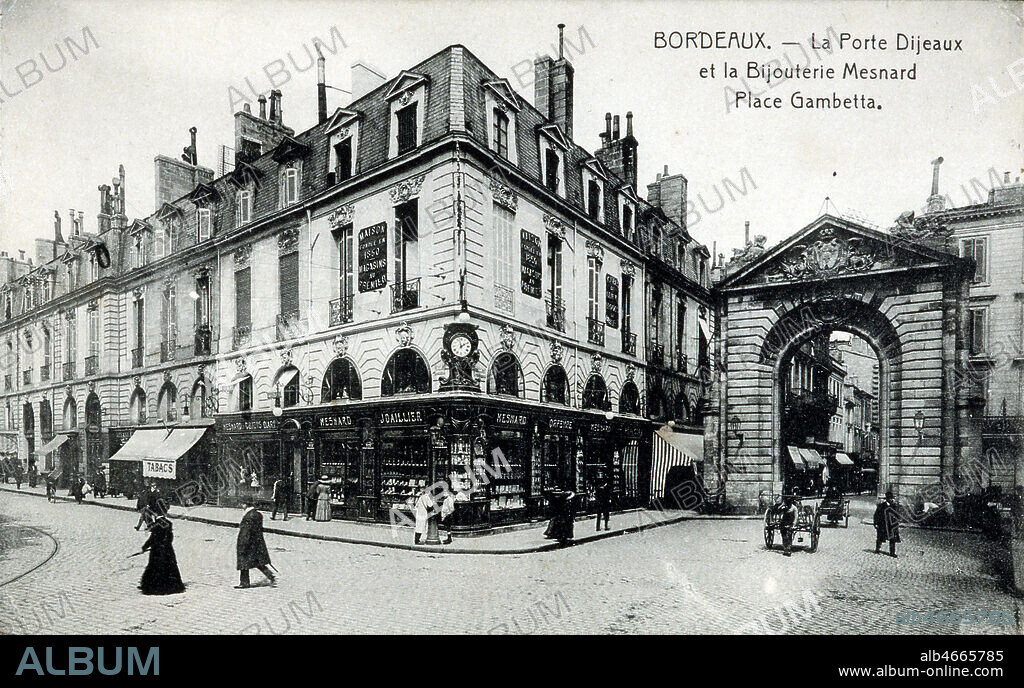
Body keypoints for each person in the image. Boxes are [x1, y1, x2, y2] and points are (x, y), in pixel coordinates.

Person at [138, 515, 185, 595]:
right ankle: (172, 585)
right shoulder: (169, 523)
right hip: (168, 550)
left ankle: (155, 587)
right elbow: (170, 537)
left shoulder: (156, 525)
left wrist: (144, 547)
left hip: (157, 551)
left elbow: (152, 538)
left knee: (155, 566)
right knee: (170, 566)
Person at [236, 497, 275, 589]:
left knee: (244, 561)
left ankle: (244, 582)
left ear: (246, 504)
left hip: (248, 542)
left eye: (242, 503)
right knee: (257, 560)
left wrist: (242, 545)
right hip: (256, 542)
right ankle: (270, 575)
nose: (241, 506)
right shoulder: (257, 514)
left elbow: (245, 532)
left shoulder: (248, 516)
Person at [874, 489, 901, 557]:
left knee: (892, 539)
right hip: (883, 525)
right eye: (890, 498)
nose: (892, 500)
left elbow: (897, 515)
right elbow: (876, 515)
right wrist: (876, 523)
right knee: (880, 537)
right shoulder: (881, 506)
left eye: (892, 498)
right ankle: (877, 549)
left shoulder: (894, 506)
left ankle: (892, 552)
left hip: (891, 526)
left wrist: (897, 522)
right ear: (887, 499)